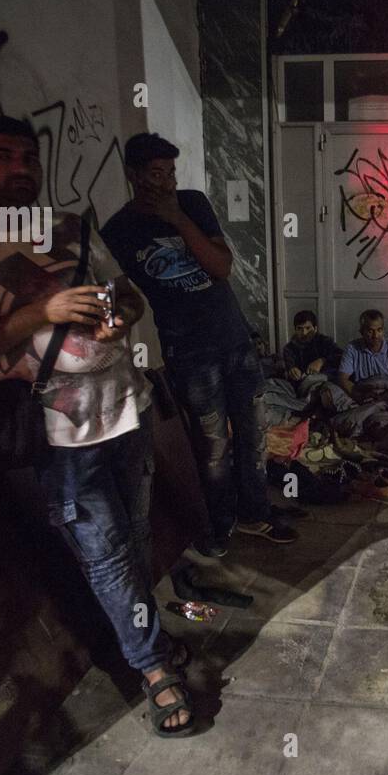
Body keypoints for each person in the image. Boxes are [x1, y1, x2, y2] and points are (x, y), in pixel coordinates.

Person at [0, 116, 193, 737]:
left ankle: (141, 638)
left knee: (136, 538)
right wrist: (43, 311)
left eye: (28, 157)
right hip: (59, 437)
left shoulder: (71, 225)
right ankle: (153, 670)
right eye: (1, 156)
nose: (20, 168)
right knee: (108, 556)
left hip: (128, 408)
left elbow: (132, 295)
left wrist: (120, 317)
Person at [100, 133, 296, 557]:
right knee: (212, 445)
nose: (167, 182)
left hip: (234, 338)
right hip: (188, 351)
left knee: (252, 433)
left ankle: (256, 513)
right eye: (156, 174)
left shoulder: (191, 203)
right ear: (133, 175)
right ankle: (220, 524)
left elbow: (221, 266)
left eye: (170, 172)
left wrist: (177, 218)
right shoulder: (118, 230)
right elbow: (116, 292)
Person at [282, 310, 343, 390]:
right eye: (300, 328)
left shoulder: (325, 341)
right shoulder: (289, 348)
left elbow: (341, 356)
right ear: (295, 330)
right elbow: (289, 365)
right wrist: (292, 370)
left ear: (315, 328)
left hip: (327, 380)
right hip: (303, 386)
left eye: (308, 328)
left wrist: (322, 361)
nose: (304, 333)